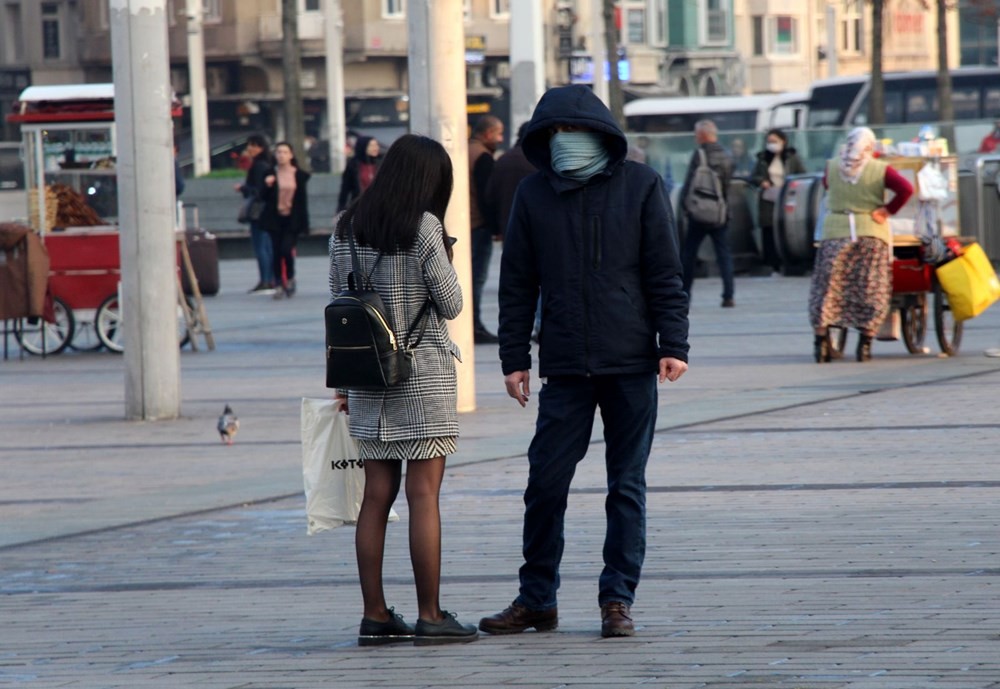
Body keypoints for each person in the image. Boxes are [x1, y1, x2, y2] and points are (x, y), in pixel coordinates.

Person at [482, 85, 690, 639]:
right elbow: (517, 284)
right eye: (553, 133)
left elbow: (665, 274)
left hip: (630, 363)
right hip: (566, 366)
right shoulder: (533, 194)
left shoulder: (642, 186)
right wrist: (513, 357)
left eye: (574, 131)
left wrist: (674, 344)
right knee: (545, 483)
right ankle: (536, 600)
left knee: (626, 485)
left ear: (601, 133)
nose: (565, 141)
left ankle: (617, 599)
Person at [329, 134, 477, 647]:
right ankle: (430, 615)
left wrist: (346, 384)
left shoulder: (347, 228)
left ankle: (374, 614)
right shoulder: (425, 227)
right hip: (422, 374)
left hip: (368, 375)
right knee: (423, 494)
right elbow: (452, 303)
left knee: (375, 496)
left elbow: (341, 309)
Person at [810, 126, 913, 363]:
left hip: (834, 234)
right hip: (869, 234)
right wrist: (887, 210)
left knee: (827, 288)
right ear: (870, 146)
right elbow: (906, 189)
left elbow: (828, 185)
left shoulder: (832, 165)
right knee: (870, 287)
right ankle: (865, 345)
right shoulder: (879, 169)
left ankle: (821, 343)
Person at [679, 119, 735, 307]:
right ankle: (728, 295)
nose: (695, 137)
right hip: (719, 212)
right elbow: (728, 187)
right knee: (723, 254)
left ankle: (685, 295)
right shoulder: (727, 155)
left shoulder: (699, 154)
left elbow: (689, 183)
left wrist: (684, 207)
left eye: (696, 134)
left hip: (699, 212)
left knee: (689, 253)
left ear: (703, 135)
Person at [468, 114, 505, 344]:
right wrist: (495, 227)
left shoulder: (465, 151)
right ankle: (475, 325)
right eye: (499, 134)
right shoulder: (482, 157)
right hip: (477, 224)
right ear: (488, 133)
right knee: (477, 278)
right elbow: (487, 196)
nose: (500, 139)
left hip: (464, 223)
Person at [749, 128, 806, 274]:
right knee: (769, 230)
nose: (771, 144)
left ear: (783, 141)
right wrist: (762, 181)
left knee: (786, 229)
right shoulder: (762, 159)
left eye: (775, 141)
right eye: (769, 142)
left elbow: (802, 175)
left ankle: (788, 262)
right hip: (769, 198)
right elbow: (754, 177)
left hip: (787, 198)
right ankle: (772, 264)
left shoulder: (792, 157)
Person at [260, 141, 310, 299]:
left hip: (292, 219)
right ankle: (278, 284)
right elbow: (262, 197)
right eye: (278, 152)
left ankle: (290, 277)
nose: (281, 155)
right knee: (275, 252)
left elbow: (302, 201)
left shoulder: (299, 175)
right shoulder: (270, 173)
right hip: (274, 219)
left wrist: (305, 224)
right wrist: (268, 185)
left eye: (284, 152)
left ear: (291, 155)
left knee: (286, 249)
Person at [235, 135, 275, 294]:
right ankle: (269, 279)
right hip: (266, 210)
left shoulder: (258, 166)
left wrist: (243, 188)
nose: (250, 148)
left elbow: (257, 191)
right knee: (266, 246)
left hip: (258, 212)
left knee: (261, 246)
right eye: (249, 145)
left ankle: (266, 280)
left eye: (254, 145)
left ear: (261, 148)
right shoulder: (266, 165)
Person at [337, 135, 381, 212]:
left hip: (380, 207)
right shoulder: (353, 165)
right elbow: (345, 189)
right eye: (371, 145)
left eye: (376, 145)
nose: (375, 148)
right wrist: (340, 209)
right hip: (359, 207)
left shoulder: (382, 163)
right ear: (363, 147)